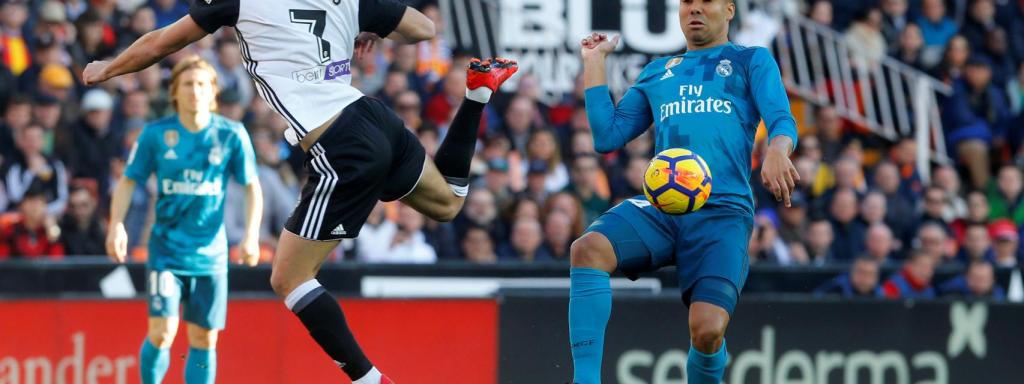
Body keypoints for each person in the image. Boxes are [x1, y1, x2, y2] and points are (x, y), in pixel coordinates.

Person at [82, 1, 518, 382]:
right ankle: (477, 93)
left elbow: (161, 42)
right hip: (371, 115)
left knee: (288, 276)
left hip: (338, 141)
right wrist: (365, 23)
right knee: (448, 204)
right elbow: (424, 28)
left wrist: (108, 67)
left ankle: (369, 381)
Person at [568, 0, 799, 382]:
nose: (694, 8)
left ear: (728, 10)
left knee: (707, 331)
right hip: (663, 207)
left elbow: (780, 117)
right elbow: (607, 136)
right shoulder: (658, 72)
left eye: (706, 1)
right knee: (587, 249)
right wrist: (595, 62)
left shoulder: (750, 60)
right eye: (687, 1)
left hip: (722, 213)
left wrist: (777, 148)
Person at [104, 56, 263, 384]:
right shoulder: (156, 135)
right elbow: (128, 180)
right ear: (175, 92)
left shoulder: (231, 135)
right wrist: (116, 225)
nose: (195, 91)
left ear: (213, 92)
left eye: (202, 84)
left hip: (211, 255)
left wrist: (250, 235)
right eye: (188, 84)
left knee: (205, 338)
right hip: (166, 251)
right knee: (163, 333)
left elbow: (251, 187)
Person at [813, 257, 883, 298]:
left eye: (870, 274)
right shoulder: (835, 289)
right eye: (861, 272)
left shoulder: (880, 295)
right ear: (852, 272)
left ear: (876, 278)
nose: (865, 278)